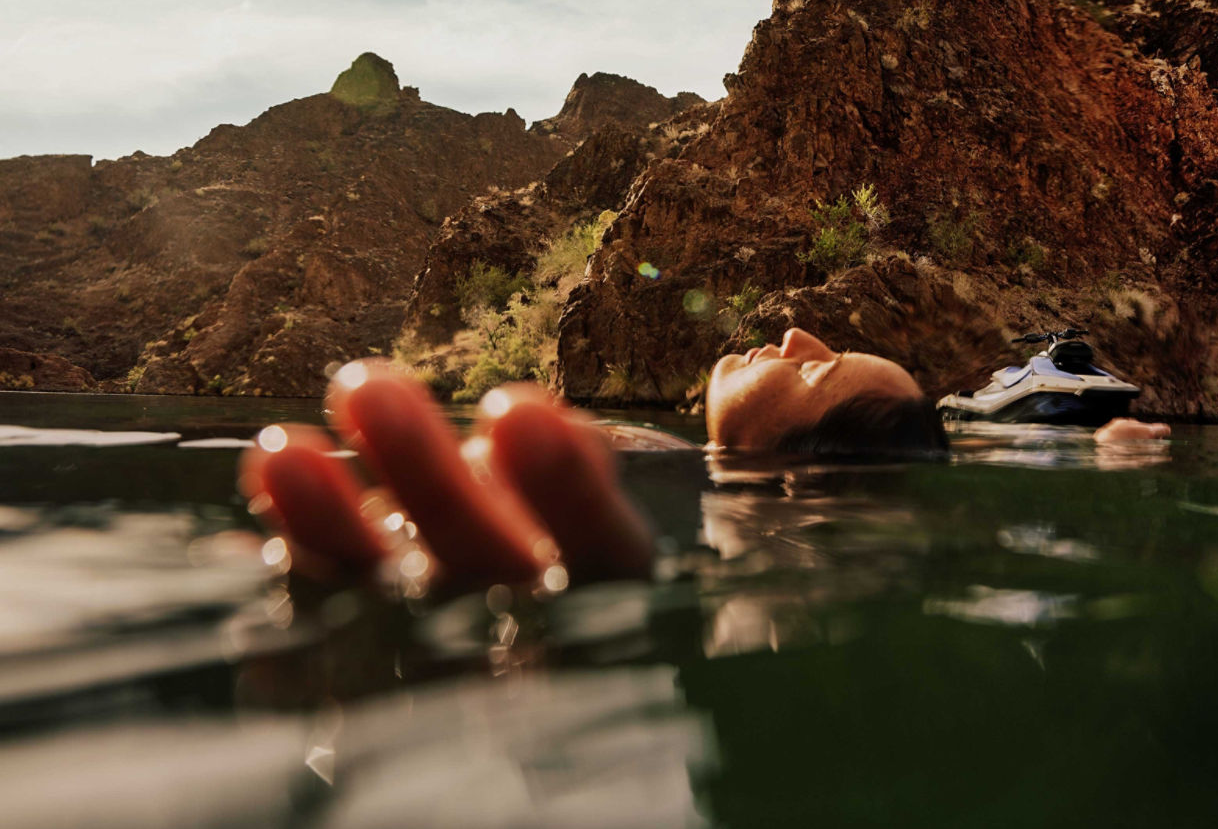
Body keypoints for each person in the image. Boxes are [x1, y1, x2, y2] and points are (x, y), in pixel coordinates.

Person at [239, 326, 1168, 593]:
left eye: (816, 369)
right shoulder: (668, 466)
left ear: (791, 470)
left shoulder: (665, 479)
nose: (796, 337)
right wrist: (1096, 456)